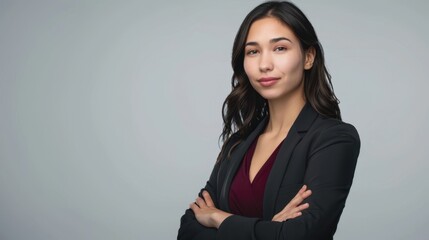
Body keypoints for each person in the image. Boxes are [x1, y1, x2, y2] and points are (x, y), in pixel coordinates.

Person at [177, 1, 360, 239]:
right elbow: (188, 231)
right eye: (253, 51)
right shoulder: (238, 143)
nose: (264, 65)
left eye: (280, 48)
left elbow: (302, 235)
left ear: (308, 57)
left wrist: (217, 218)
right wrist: (270, 228)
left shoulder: (333, 139)